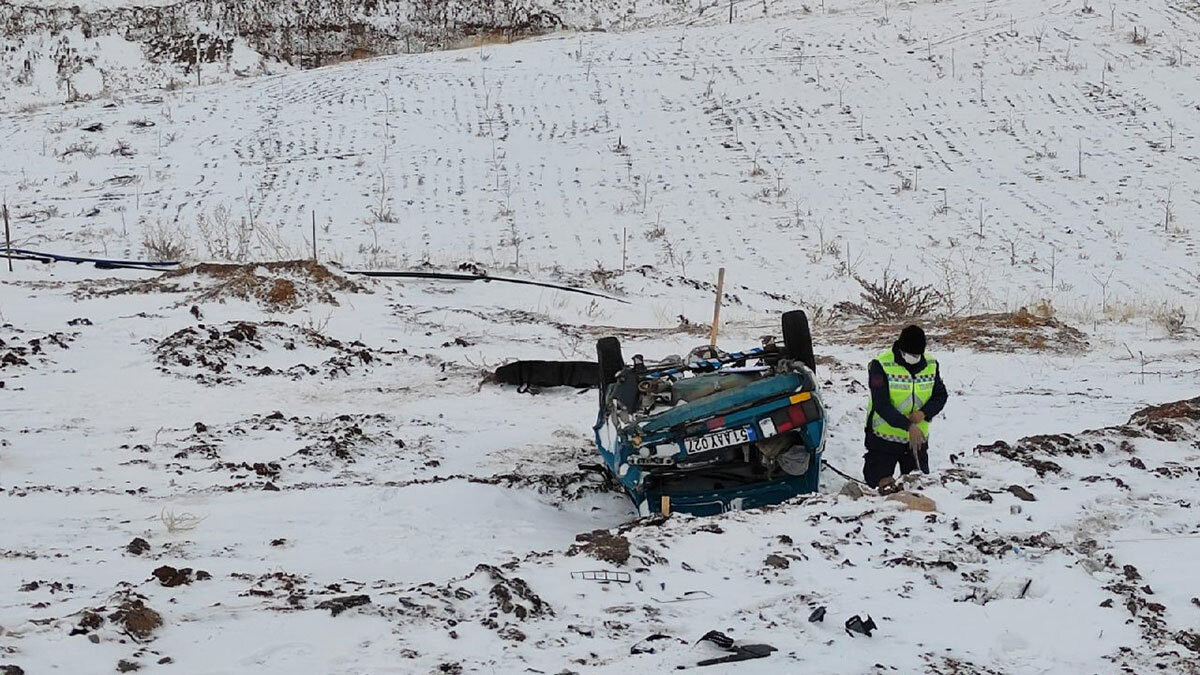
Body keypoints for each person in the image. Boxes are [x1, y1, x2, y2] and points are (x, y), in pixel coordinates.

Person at [863, 325, 948, 488]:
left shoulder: (931, 364)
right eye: (911, 354)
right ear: (901, 349)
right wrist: (907, 425)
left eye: (917, 354)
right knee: (876, 490)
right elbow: (881, 404)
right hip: (884, 440)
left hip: (916, 442)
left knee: (919, 489)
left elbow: (940, 395)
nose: (914, 357)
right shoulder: (880, 365)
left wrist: (924, 413)